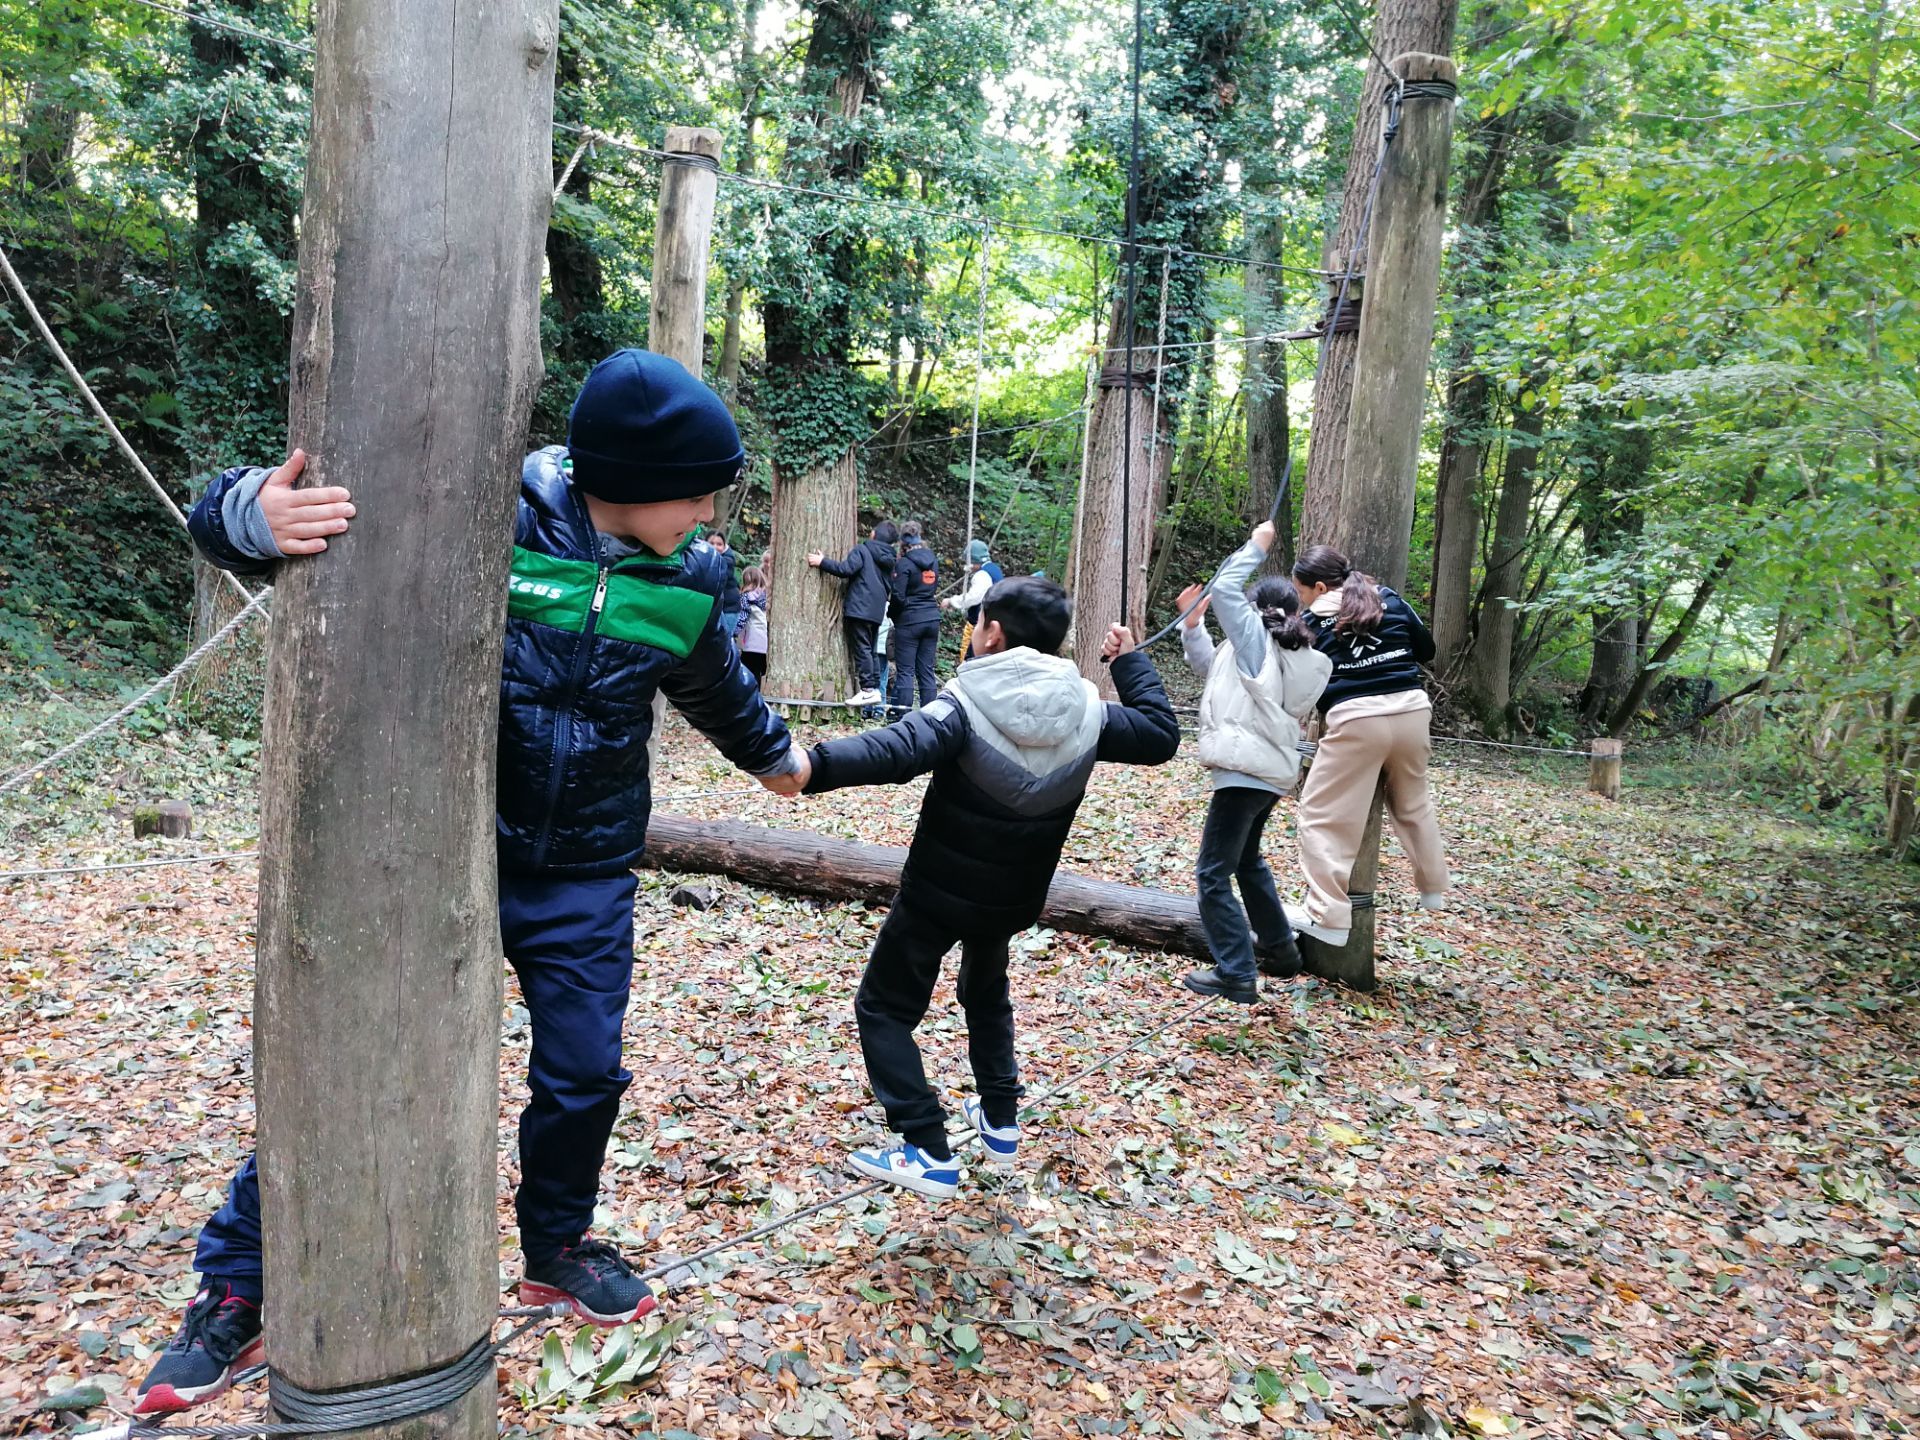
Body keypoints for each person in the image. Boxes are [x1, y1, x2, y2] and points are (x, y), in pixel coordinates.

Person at [136, 350, 803, 1417]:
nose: (712, 507)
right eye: (698, 487)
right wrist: (246, 520)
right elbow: (240, 515)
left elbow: (716, 686)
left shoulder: (690, 580)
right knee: (349, 1058)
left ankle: (559, 1245)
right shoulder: (482, 517)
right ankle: (237, 1290)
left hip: (584, 869)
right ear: (623, 480)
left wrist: (780, 758)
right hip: (437, 857)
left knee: (586, 1071)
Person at [790, 577, 1181, 1197]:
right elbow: (1160, 736)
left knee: (884, 1009)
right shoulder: (1088, 712)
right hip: (1012, 900)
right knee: (986, 992)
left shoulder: (965, 703)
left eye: (976, 625)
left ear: (992, 633)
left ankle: (925, 1147)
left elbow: (897, 748)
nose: (972, 634)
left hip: (936, 895)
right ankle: (1000, 1123)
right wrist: (1129, 660)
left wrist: (811, 767)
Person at [1176, 521, 1331, 1003]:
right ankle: (1282, 952)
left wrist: (1257, 546)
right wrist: (1192, 627)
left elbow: (1224, 586)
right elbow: (1211, 669)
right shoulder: (1278, 651)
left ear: (1255, 611)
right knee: (1246, 861)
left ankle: (1236, 972)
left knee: (1211, 873)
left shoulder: (1257, 642)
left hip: (1244, 774)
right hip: (1265, 774)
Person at [1286, 544, 1450, 947]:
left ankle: (1328, 915)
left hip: (1357, 721)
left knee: (1324, 815)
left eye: (1302, 591)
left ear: (1320, 586)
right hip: (1412, 713)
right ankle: (1433, 888)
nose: (1301, 600)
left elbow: (1303, 682)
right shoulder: (1389, 598)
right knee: (1413, 803)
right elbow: (1426, 649)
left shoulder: (1309, 620)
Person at [809, 522, 897, 705]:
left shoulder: (863, 550)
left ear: (873, 534)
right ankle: (873, 689)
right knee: (870, 649)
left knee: (862, 648)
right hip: (876, 610)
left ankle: (867, 689)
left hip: (859, 608)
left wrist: (822, 562)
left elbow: (846, 569)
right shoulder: (890, 560)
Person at [888, 520, 941, 711]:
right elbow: (933, 587)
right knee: (926, 671)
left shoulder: (904, 563)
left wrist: (892, 614)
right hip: (932, 619)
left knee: (906, 672)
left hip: (910, 621)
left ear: (903, 542)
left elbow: (898, 595)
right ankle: (930, 716)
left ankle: (901, 715)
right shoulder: (933, 561)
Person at [941, 538, 1003, 661]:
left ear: (974, 561)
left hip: (979, 625)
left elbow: (974, 597)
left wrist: (951, 601)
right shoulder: (994, 569)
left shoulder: (982, 575)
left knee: (969, 658)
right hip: (992, 622)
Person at [708, 529, 744, 638]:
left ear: (725, 547)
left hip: (729, 609)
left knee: (724, 640)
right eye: (711, 543)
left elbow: (720, 573)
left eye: (719, 544)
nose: (715, 547)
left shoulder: (727, 561)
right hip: (713, 609)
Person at [738, 563, 770, 679]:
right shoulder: (765, 598)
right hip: (764, 645)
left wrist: (734, 632)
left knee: (747, 674)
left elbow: (743, 617)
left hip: (750, 644)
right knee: (758, 675)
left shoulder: (745, 598)